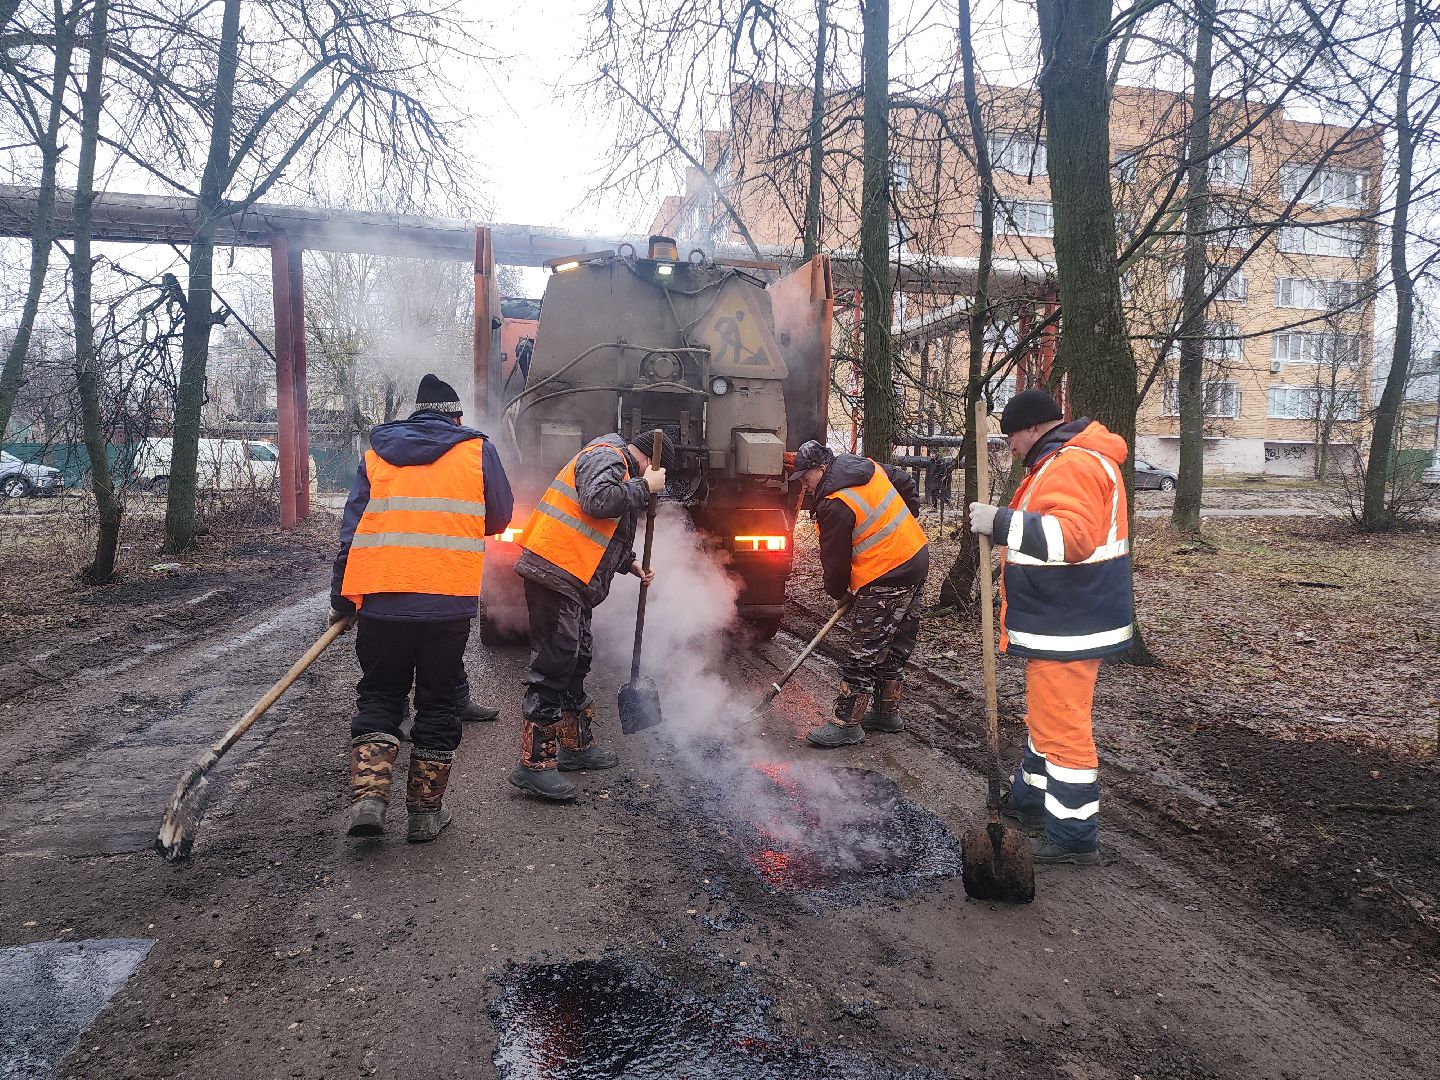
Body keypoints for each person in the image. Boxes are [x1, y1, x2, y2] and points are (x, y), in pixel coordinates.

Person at [331, 374, 513, 843]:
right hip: (445, 601)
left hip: (380, 599)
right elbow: (499, 517)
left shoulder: (375, 454)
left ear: (415, 414)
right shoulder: (477, 450)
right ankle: (425, 815)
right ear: (455, 417)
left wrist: (341, 598)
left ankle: (370, 798)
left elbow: (351, 534)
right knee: (436, 701)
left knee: (379, 695)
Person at [967, 389, 1133, 867]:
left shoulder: (1072, 464)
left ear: (1033, 428)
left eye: (1011, 437)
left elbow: (1073, 538)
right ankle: (1029, 800)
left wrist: (1000, 522)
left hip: (1070, 623)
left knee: (1062, 729)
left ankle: (1073, 836)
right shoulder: (1064, 461)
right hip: (1065, 618)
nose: (1010, 448)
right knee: (1047, 719)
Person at [508, 429, 674, 802]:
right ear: (650, 460)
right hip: (555, 571)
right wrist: (644, 488)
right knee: (555, 664)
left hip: (572, 578)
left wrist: (629, 562)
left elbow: (604, 532)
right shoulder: (608, 455)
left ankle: (576, 747)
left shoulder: (624, 469)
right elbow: (597, 502)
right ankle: (533, 766)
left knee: (577, 658)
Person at [790, 439, 929, 748]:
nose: (804, 484)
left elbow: (835, 563)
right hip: (916, 557)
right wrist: (908, 520)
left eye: (805, 477)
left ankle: (847, 723)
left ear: (821, 468)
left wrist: (838, 594)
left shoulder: (834, 503)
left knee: (864, 649)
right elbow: (904, 480)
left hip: (887, 572)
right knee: (894, 642)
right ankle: (886, 713)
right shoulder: (863, 467)